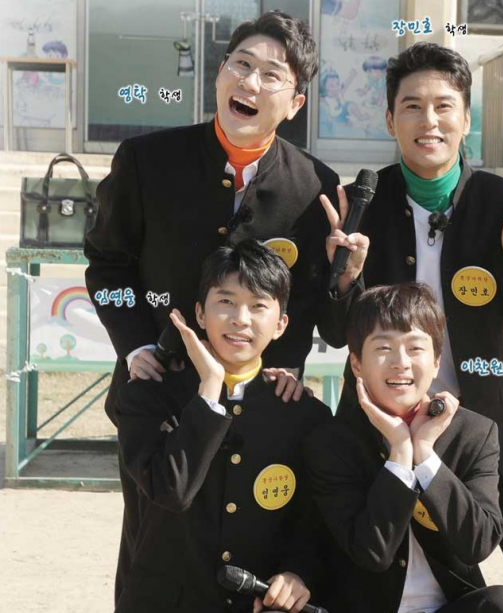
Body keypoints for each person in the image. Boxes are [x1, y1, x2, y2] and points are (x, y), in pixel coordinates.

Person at [84, 10, 339, 600]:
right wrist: (135, 346)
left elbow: (305, 297)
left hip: (259, 405)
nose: (249, 82)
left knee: (253, 544)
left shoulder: (316, 187)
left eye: (271, 75)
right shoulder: (146, 160)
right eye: (240, 65)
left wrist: (290, 359)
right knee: (155, 548)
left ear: (295, 103)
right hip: (160, 394)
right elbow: (107, 264)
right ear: (220, 73)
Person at [320, 42, 503, 613]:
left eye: (444, 106)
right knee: (375, 569)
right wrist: (346, 278)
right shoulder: (363, 203)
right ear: (390, 119)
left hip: (484, 423)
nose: (429, 121)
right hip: (381, 428)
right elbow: (338, 334)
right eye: (412, 106)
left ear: (466, 119)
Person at [115, 240, 331, 613]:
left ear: (281, 325)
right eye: (226, 301)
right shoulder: (146, 399)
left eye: (258, 306)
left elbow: (314, 523)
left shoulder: (304, 415)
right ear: (200, 314)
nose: (240, 319)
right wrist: (210, 392)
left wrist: (298, 572)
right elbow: (171, 491)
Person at [305, 282, 503, 613]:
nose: (400, 362)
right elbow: (372, 552)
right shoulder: (331, 442)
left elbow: (478, 542)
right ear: (356, 364)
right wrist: (400, 453)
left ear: (437, 361)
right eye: (383, 348)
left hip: (448, 606)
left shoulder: (474, 433)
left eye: (415, 348)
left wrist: (425, 454)